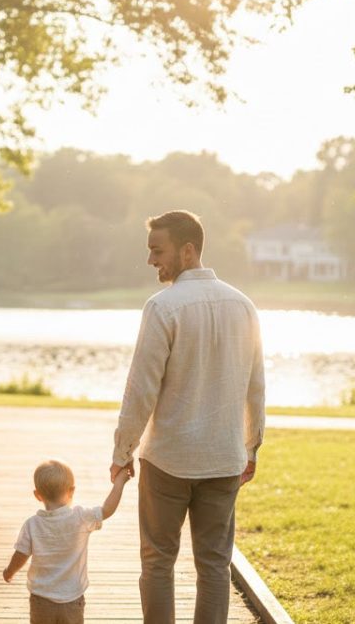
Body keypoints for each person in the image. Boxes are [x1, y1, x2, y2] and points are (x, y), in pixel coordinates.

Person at [110, 210, 265, 624]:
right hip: (223, 458)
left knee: (158, 561)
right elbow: (257, 386)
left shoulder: (163, 307)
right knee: (214, 564)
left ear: (188, 250)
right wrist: (251, 446)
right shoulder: (244, 306)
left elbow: (141, 389)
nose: (151, 261)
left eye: (157, 251)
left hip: (169, 460)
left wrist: (122, 449)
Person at [2, 459, 132, 624]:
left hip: (41, 599)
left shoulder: (32, 524)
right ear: (71, 491)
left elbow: (21, 554)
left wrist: (10, 571)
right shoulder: (80, 517)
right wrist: (119, 483)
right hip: (72, 599)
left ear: (37, 495)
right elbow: (107, 510)